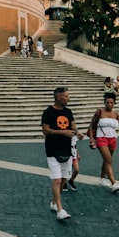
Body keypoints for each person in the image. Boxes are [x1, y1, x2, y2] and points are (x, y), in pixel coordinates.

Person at [89, 92, 119, 192]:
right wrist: (92, 138)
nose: (109, 104)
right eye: (107, 102)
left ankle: (101, 178)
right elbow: (92, 125)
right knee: (109, 160)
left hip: (112, 138)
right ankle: (113, 183)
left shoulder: (116, 114)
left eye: (111, 102)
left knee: (107, 160)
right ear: (104, 102)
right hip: (101, 138)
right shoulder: (99, 112)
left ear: (114, 103)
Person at [42, 87, 77, 221]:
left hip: (67, 149)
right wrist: (62, 132)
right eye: (66, 96)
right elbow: (45, 130)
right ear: (58, 97)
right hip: (52, 150)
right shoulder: (48, 112)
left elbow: (73, 127)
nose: (69, 98)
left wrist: (76, 133)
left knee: (63, 180)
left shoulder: (68, 112)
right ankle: (60, 210)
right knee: (56, 180)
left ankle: (53, 202)